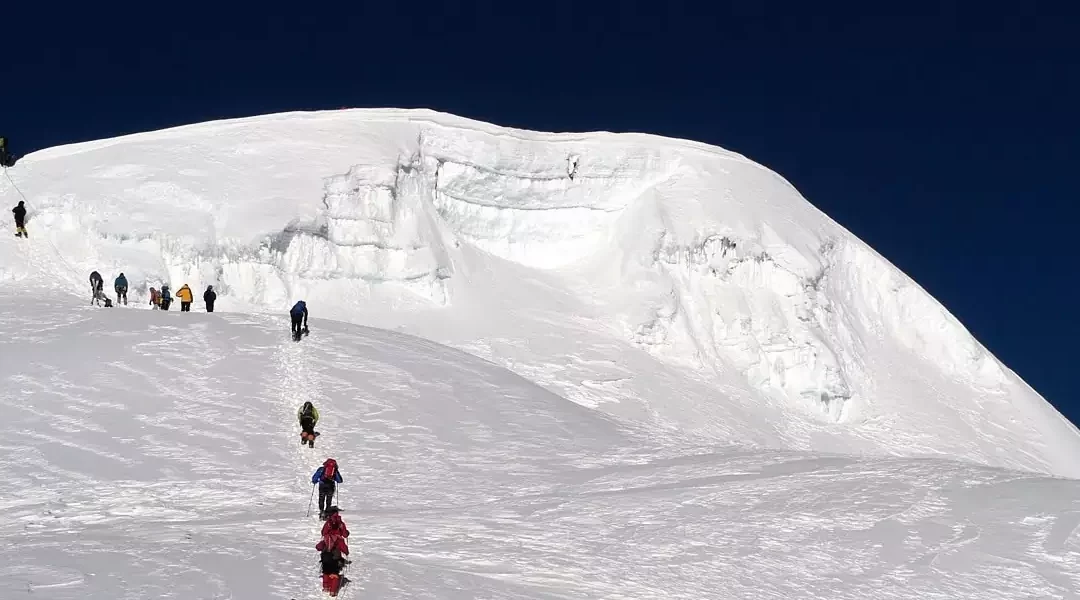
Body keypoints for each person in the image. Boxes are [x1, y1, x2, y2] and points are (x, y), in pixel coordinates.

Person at [316, 521, 350, 597]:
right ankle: (333, 591)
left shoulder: (326, 537)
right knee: (334, 574)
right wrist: (347, 553)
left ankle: (326, 587)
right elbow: (344, 548)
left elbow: (318, 547)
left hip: (325, 558)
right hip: (335, 559)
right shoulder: (338, 538)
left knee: (326, 572)